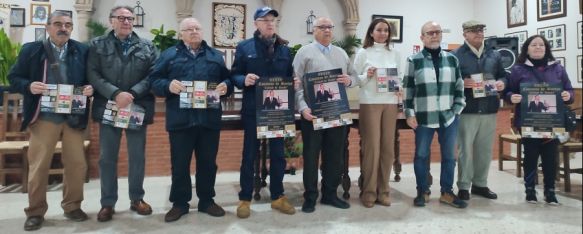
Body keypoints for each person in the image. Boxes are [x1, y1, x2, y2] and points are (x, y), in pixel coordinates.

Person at [8, 11, 92, 231]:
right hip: (44, 116)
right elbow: (14, 78)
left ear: (72, 28)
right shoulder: (32, 50)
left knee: (77, 164)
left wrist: (90, 87)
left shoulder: (82, 50)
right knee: (39, 166)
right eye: (58, 24)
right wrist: (29, 86)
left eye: (67, 24)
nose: (63, 28)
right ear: (47, 27)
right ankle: (35, 212)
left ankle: (72, 206)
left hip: (73, 116)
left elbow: (89, 78)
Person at [150, 18, 233, 222]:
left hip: (208, 119)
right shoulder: (169, 55)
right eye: (189, 29)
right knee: (180, 165)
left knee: (207, 163)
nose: (194, 31)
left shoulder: (215, 55)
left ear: (202, 31)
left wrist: (225, 87)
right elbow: (154, 80)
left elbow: (228, 79)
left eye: (197, 28)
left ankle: (207, 201)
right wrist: (168, 86)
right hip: (181, 120)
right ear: (181, 33)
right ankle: (180, 204)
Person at [87, 6, 158, 222]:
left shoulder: (147, 46)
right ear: (111, 21)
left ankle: (137, 198)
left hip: (136, 107)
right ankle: (107, 203)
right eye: (121, 18)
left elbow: (154, 73)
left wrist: (133, 93)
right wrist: (115, 93)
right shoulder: (97, 45)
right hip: (110, 107)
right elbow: (92, 73)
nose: (126, 21)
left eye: (129, 18)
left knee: (137, 157)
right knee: (107, 158)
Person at [230, 6, 296, 218]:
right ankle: (245, 198)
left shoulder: (285, 49)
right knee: (249, 155)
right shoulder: (244, 47)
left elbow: (290, 76)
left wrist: (293, 82)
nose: (269, 23)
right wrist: (243, 79)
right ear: (256, 23)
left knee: (278, 155)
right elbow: (234, 75)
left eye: (272, 20)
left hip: (278, 111)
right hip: (254, 110)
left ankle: (277, 196)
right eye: (265, 19)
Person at [293, 17, 357, 213]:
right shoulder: (304, 53)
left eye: (330, 27)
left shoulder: (341, 53)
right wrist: (303, 108)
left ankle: (330, 194)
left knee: (334, 157)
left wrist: (349, 80)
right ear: (314, 30)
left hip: (336, 114)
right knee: (311, 157)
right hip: (312, 115)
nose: (327, 30)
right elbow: (296, 84)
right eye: (322, 27)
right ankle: (310, 197)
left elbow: (353, 77)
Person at [403, 21, 466, 209]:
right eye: (429, 32)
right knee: (421, 155)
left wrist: (456, 109)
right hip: (424, 117)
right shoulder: (413, 60)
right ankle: (423, 190)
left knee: (449, 157)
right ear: (422, 37)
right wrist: (409, 113)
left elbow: (459, 87)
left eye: (437, 32)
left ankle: (447, 192)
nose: (434, 35)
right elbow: (408, 89)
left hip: (449, 118)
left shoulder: (452, 59)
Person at [505, 35, 574, 205]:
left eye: (541, 45)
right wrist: (511, 97)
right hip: (529, 121)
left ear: (546, 48)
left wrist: (568, 95)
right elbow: (507, 92)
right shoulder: (518, 69)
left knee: (550, 157)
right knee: (530, 156)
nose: (538, 47)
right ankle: (530, 191)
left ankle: (550, 191)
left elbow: (570, 91)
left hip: (553, 122)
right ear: (527, 48)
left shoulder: (557, 68)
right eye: (534, 45)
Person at [452, 20, 506, 201]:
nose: (478, 33)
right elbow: (448, 81)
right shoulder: (455, 55)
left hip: (489, 109)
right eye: (473, 30)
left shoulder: (494, 54)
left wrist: (501, 83)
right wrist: (461, 83)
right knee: (465, 150)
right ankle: (464, 186)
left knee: (484, 150)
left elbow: (503, 75)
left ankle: (480, 184)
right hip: (467, 110)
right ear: (464, 34)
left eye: (481, 30)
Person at [353, 18, 402, 208]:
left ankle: (384, 191)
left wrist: (400, 88)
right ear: (371, 32)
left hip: (390, 103)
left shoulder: (395, 53)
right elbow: (356, 79)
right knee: (372, 148)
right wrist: (368, 75)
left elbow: (400, 77)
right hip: (370, 103)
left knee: (387, 150)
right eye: (379, 30)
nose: (383, 33)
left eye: (386, 30)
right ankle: (369, 191)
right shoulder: (363, 53)